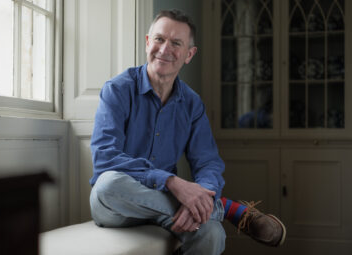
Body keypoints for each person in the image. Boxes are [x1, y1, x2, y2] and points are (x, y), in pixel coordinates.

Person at [89, 9, 286, 255]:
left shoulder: (192, 104)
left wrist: (198, 193)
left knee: (213, 233)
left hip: (161, 205)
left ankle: (211, 208)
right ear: (148, 42)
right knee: (108, 184)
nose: (164, 49)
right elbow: (105, 158)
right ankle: (225, 209)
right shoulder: (117, 90)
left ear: (189, 54)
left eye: (176, 43)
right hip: (119, 204)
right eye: (159, 39)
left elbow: (208, 163)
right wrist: (171, 181)